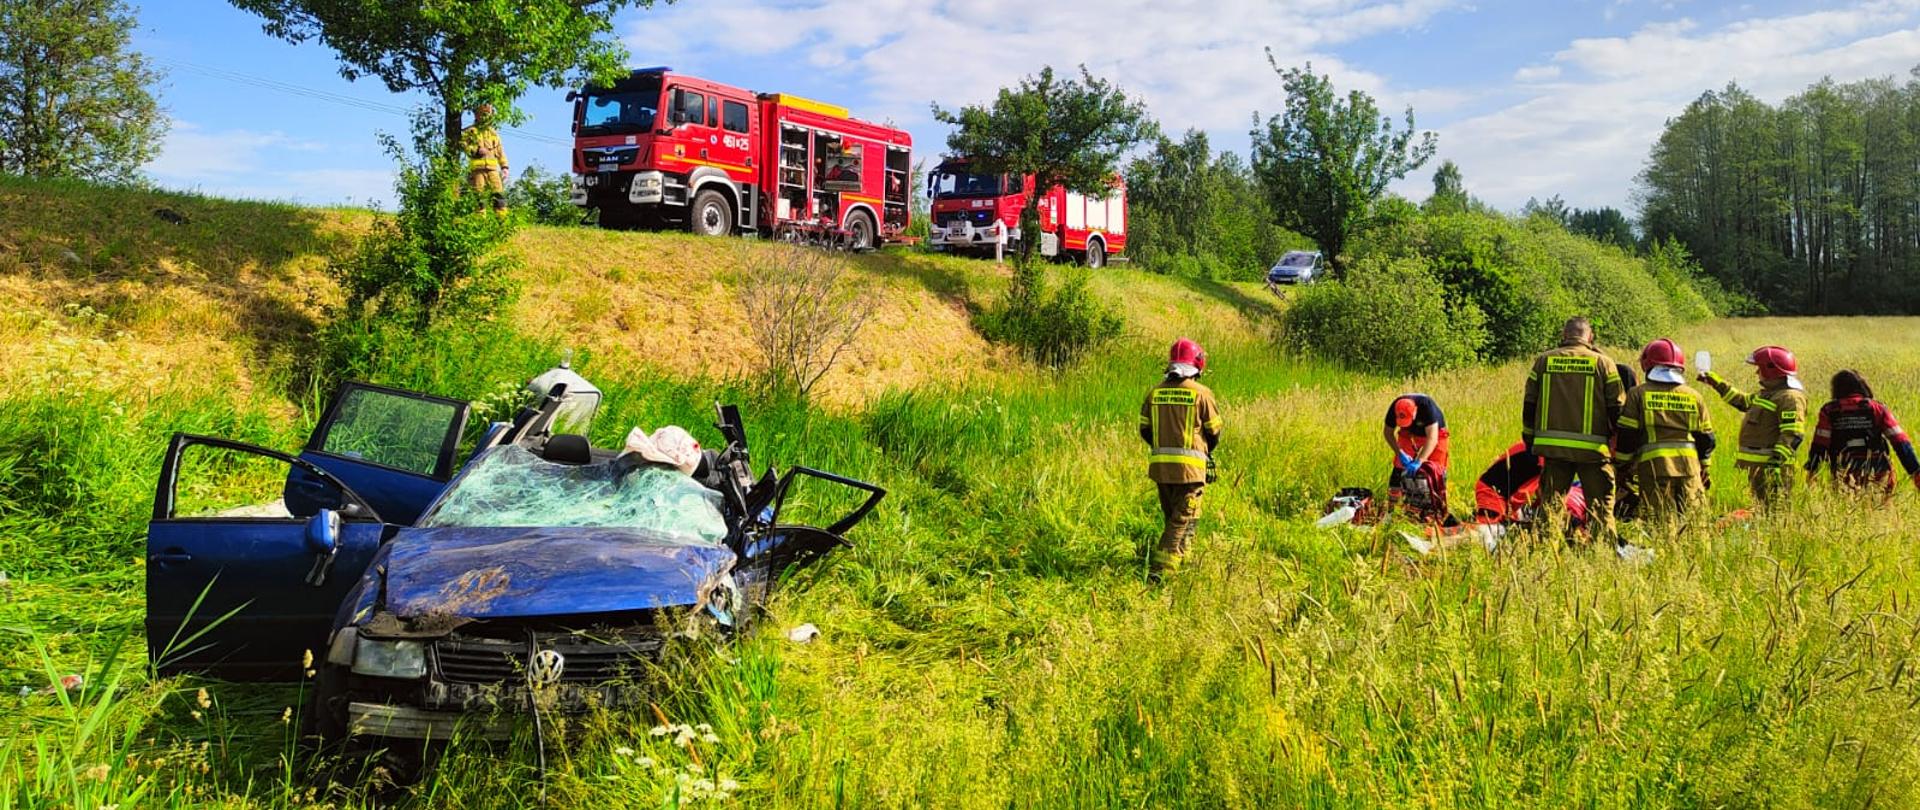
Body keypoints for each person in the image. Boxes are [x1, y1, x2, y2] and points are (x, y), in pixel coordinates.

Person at [1522, 316, 1625, 543]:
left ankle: (1545, 551)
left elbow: (1529, 403)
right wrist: (1618, 444)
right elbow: (1617, 407)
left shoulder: (1543, 362)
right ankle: (1602, 552)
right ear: (1590, 337)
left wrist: (1529, 440)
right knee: (1601, 509)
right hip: (1594, 452)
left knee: (1550, 508)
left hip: (1553, 451)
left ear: (1564, 335)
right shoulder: (1604, 363)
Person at [1139, 338, 1223, 577]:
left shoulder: (1154, 393)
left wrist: (1164, 447)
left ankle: (1182, 561)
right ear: (1198, 365)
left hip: (1161, 470)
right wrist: (1203, 452)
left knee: (1177, 517)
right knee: (1181, 521)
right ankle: (1161, 572)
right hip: (1191, 471)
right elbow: (1215, 431)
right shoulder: (1202, 394)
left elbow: (1145, 430)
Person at [1614, 338, 1716, 524]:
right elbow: (1706, 439)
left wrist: (1621, 466)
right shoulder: (1694, 396)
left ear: (1647, 363)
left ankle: (1666, 553)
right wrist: (1704, 468)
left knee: (1662, 524)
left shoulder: (1638, 394)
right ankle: (1698, 553)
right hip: (1690, 469)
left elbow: (1627, 436)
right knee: (1694, 524)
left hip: (1654, 469)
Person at [1699, 345, 1809, 508]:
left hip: (1772, 469)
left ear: (1771, 370)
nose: (1756, 372)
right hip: (1759, 468)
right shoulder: (1767, 394)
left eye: (1759, 368)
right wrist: (1716, 383)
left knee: (1775, 512)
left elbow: (1793, 433)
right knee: (1761, 509)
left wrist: (1776, 463)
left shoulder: (1790, 398)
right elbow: (1742, 401)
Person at [1805, 369, 1920, 496]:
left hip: (1843, 473)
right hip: (1878, 472)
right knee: (1881, 512)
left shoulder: (1829, 410)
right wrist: (1915, 472)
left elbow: (1819, 445)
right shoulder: (1878, 409)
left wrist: (1812, 472)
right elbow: (1901, 442)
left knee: (1846, 511)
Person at [1383, 394, 1452, 524]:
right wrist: (1399, 452)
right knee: (1399, 467)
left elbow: (1432, 439)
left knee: (1436, 470)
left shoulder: (1427, 407)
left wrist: (1419, 461)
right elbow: (1387, 432)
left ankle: (1437, 511)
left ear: (1415, 412)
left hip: (1436, 434)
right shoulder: (1394, 407)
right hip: (1408, 434)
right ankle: (1391, 512)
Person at [463, 103, 509, 215]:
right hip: (477, 170)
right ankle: (480, 225)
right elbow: (463, 144)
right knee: (479, 198)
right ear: (477, 115)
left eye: (488, 114)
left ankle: (502, 224)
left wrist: (504, 167)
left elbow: (500, 151)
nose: (486, 116)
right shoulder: (470, 131)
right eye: (483, 114)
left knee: (499, 197)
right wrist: (476, 150)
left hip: (493, 170)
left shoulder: (493, 133)